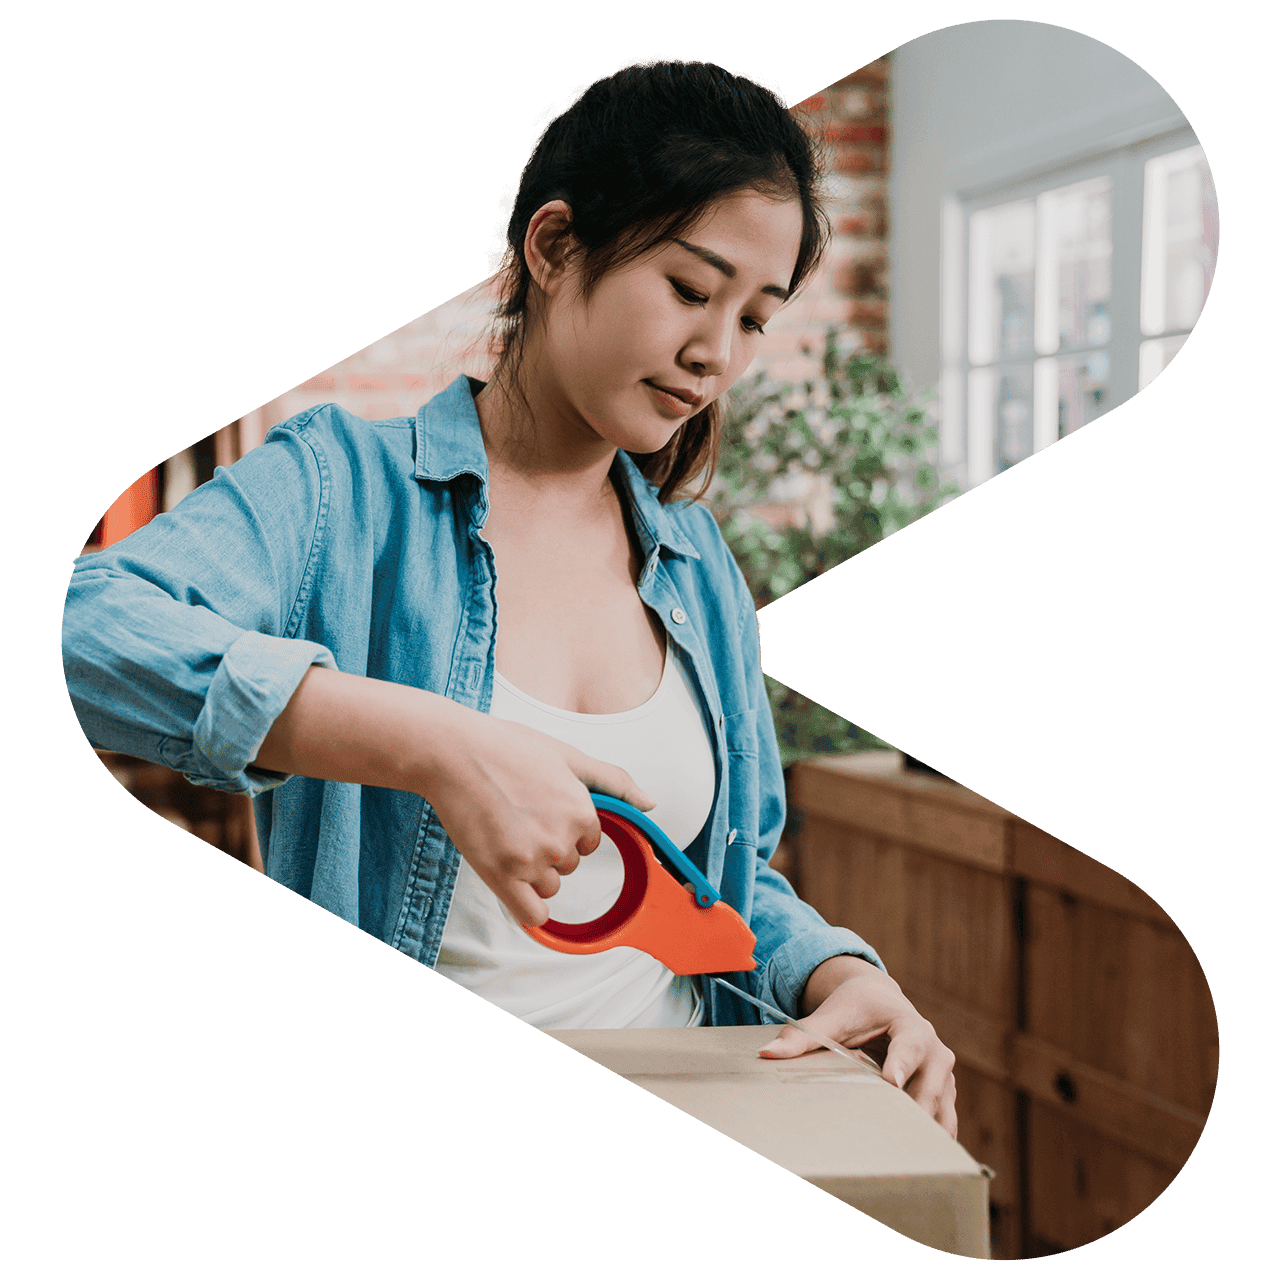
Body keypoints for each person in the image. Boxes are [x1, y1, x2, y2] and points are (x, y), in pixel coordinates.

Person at [63, 59, 957, 1136]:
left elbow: (707, 882)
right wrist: (432, 742)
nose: (713, 353)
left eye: (754, 317)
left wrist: (831, 970)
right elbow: (82, 627)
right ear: (552, 247)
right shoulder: (341, 489)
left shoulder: (695, 563)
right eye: (687, 287)